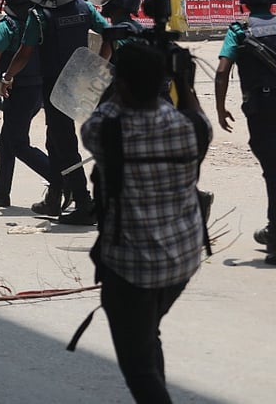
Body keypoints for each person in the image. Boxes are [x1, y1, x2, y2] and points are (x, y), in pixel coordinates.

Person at [82, 42, 210, 403]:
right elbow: (195, 113)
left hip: (130, 268)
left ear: (120, 84)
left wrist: (118, 77)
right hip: (182, 260)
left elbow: (101, 110)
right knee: (147, 334)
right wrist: (182, 80)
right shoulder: (191, 130)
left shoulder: (104, 133)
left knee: (138, 369)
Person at [2, 0, 112, 223]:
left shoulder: (39, 16)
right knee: (55, 139)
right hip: (79, 79)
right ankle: (54, 197)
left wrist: (8, 76)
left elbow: (25, 52)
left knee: (63, 141)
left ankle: (83, 202)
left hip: (53, 84)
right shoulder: (84, 7)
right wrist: (99, 64)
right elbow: (110, 34)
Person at [0, 0, 60, 207]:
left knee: (18, 143)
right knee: (7, 140)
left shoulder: (7, 25)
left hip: (18, 89)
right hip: (38, 88)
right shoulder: (37, 20)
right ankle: (0, 191)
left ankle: (61, 179)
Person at [214, 0, 276, 264]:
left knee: (272, 170)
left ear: (244, 1)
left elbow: (222, 70)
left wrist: (220, 107)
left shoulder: (239, 30)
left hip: (261, 110)